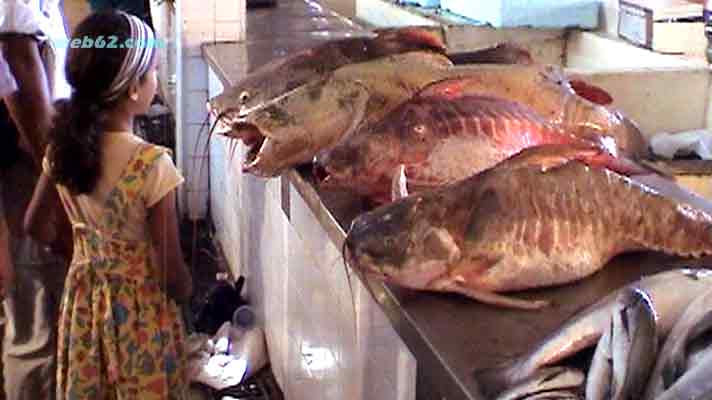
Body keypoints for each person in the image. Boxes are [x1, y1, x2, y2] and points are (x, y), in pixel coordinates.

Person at [24, 10, 192, 399]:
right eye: (151, 72)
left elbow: (35, 224)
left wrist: (85, 254)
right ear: (134, 88)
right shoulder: (152, 164)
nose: (155, 80)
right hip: (141, 321)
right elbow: (170, 273)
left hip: (84, 308)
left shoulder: (62, 149)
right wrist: (186, 295)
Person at [0, 1, 72, 398]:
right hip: (25, 158)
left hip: (35, 148)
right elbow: (18, 62)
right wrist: (54, 179)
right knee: (34, 314)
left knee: (36, 310)